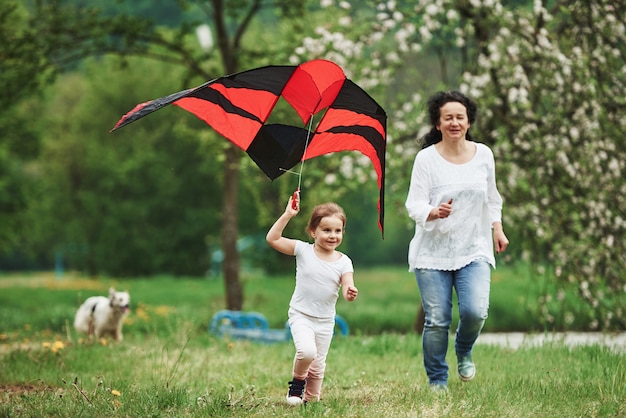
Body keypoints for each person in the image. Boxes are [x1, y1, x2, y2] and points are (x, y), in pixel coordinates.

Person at [405, 90, 509, 392]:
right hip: (432, 253)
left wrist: (497, 228)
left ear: (468, 122)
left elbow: (492, 198)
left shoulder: (484, 155)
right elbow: (414, 204)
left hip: (473, 247)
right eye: (447, 117)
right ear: (438, 123)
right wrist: (433, 212)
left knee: (475, 312)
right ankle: (438, 380)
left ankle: (464, 349)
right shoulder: (426, 159)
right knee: (437, 320)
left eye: (459, 117)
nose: (454, 122)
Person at [266, 193, 358, 405]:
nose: (332, 235)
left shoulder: (344, 262)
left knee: (318, 366)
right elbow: (273, 239)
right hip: (301, 314)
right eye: (326, 230)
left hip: (325, 320)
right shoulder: (303, 250)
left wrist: (350, 292)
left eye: (337, 230)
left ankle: (311, 400)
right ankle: (297, 384)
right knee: (307, 352)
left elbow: (347, 285)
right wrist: (288, 214)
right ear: (313, 231)